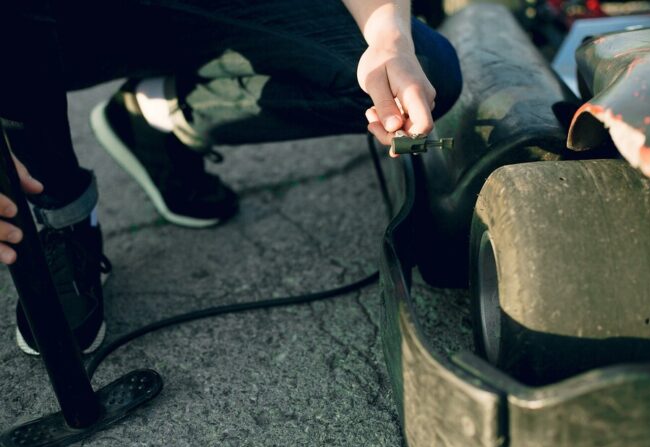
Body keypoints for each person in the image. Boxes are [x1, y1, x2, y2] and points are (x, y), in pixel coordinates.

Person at [0, 1, 462, 355]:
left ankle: (160, 112)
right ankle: (60, 215)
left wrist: (389, 41)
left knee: (426, 67)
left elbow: (390, 42)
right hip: (50, 25)